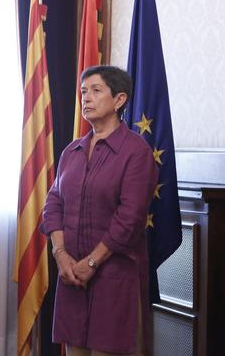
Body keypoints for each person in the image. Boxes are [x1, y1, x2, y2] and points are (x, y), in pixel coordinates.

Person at [40, 65, 157, 355]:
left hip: (114, 279)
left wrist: (91, 263)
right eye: (83, 92)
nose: (86, 98)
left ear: (119, 100)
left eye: (95, 90)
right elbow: (53, 205)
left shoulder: (136, 151)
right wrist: (61, 255)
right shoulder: (72, 151)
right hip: (71, 276)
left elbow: (129, 219)